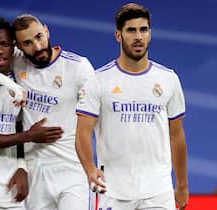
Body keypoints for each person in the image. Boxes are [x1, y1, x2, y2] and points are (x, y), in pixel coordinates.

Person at [0, 14, 95, 210]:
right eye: (28, 43)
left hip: (71, 168)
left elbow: (96, 115)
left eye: (39, 37)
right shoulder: (16, 61)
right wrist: (8, 83)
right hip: (34, 173)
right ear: (18, 47)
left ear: (46, 31)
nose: (37, 47)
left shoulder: (78, 67)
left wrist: (94, 166)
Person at [75, 3, 189, 210]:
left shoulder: (169, 79)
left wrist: (182, 185)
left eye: (143, 30)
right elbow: (83, 132)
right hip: (115, 192)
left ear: (150, 34)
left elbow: (177, 136)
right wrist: (90, 169)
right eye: (131, 30)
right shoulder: (98, 80)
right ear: (118, 35)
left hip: (158, 192)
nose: (138, 36)